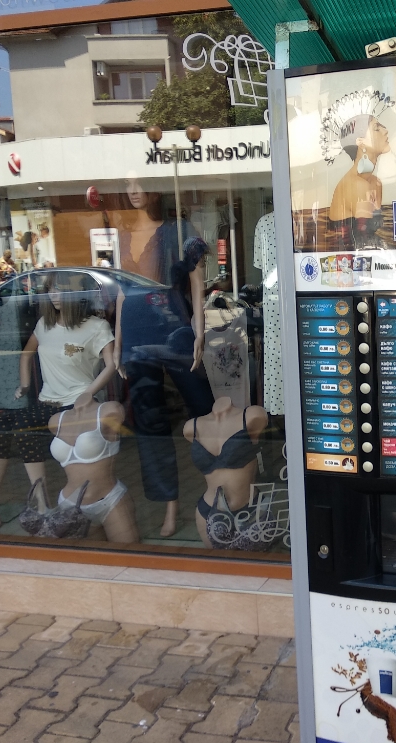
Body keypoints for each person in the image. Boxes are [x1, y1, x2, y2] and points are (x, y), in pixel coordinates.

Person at [0, 271, 115, 533]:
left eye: (60, 290)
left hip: (76, 405)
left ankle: (42, 505)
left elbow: (111, 364)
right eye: (50, 290)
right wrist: (25, 385)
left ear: (76, 293)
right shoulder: (44, 325)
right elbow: (26, 355)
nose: (54, 296)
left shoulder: (96, 326)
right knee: (1, 426)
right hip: (47, 402)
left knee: (25, 427)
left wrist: (88, 393)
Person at [114, 178, 212, 537]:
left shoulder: (178, 230)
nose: (133, 190)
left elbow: (197, 282)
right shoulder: (124, 234)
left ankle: (219, 490)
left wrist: (198, 331)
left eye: (140, 183)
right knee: (150, 424)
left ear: (156, 189)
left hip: (175, 332)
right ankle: (169, 509)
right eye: (128, 184)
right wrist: (119, 341)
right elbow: (124, 291)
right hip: (137, 336)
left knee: (204, 411)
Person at [46, 399, 138, 542]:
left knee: (130, 558)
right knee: (87, 561)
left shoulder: (109, 410)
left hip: (109, 501)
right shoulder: (56, 420)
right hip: (68, 504)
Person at [184, 396, 269, 550]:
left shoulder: (252, 415)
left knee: (256, 568)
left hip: (250, 509)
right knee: (219, 568)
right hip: (207, 511)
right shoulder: (191, 427)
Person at [320, 89, 395, 250]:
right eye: (377, 128)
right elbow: (364, 242)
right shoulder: (358, 185)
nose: (385, 130)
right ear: (361, 142)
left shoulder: (375, 183)